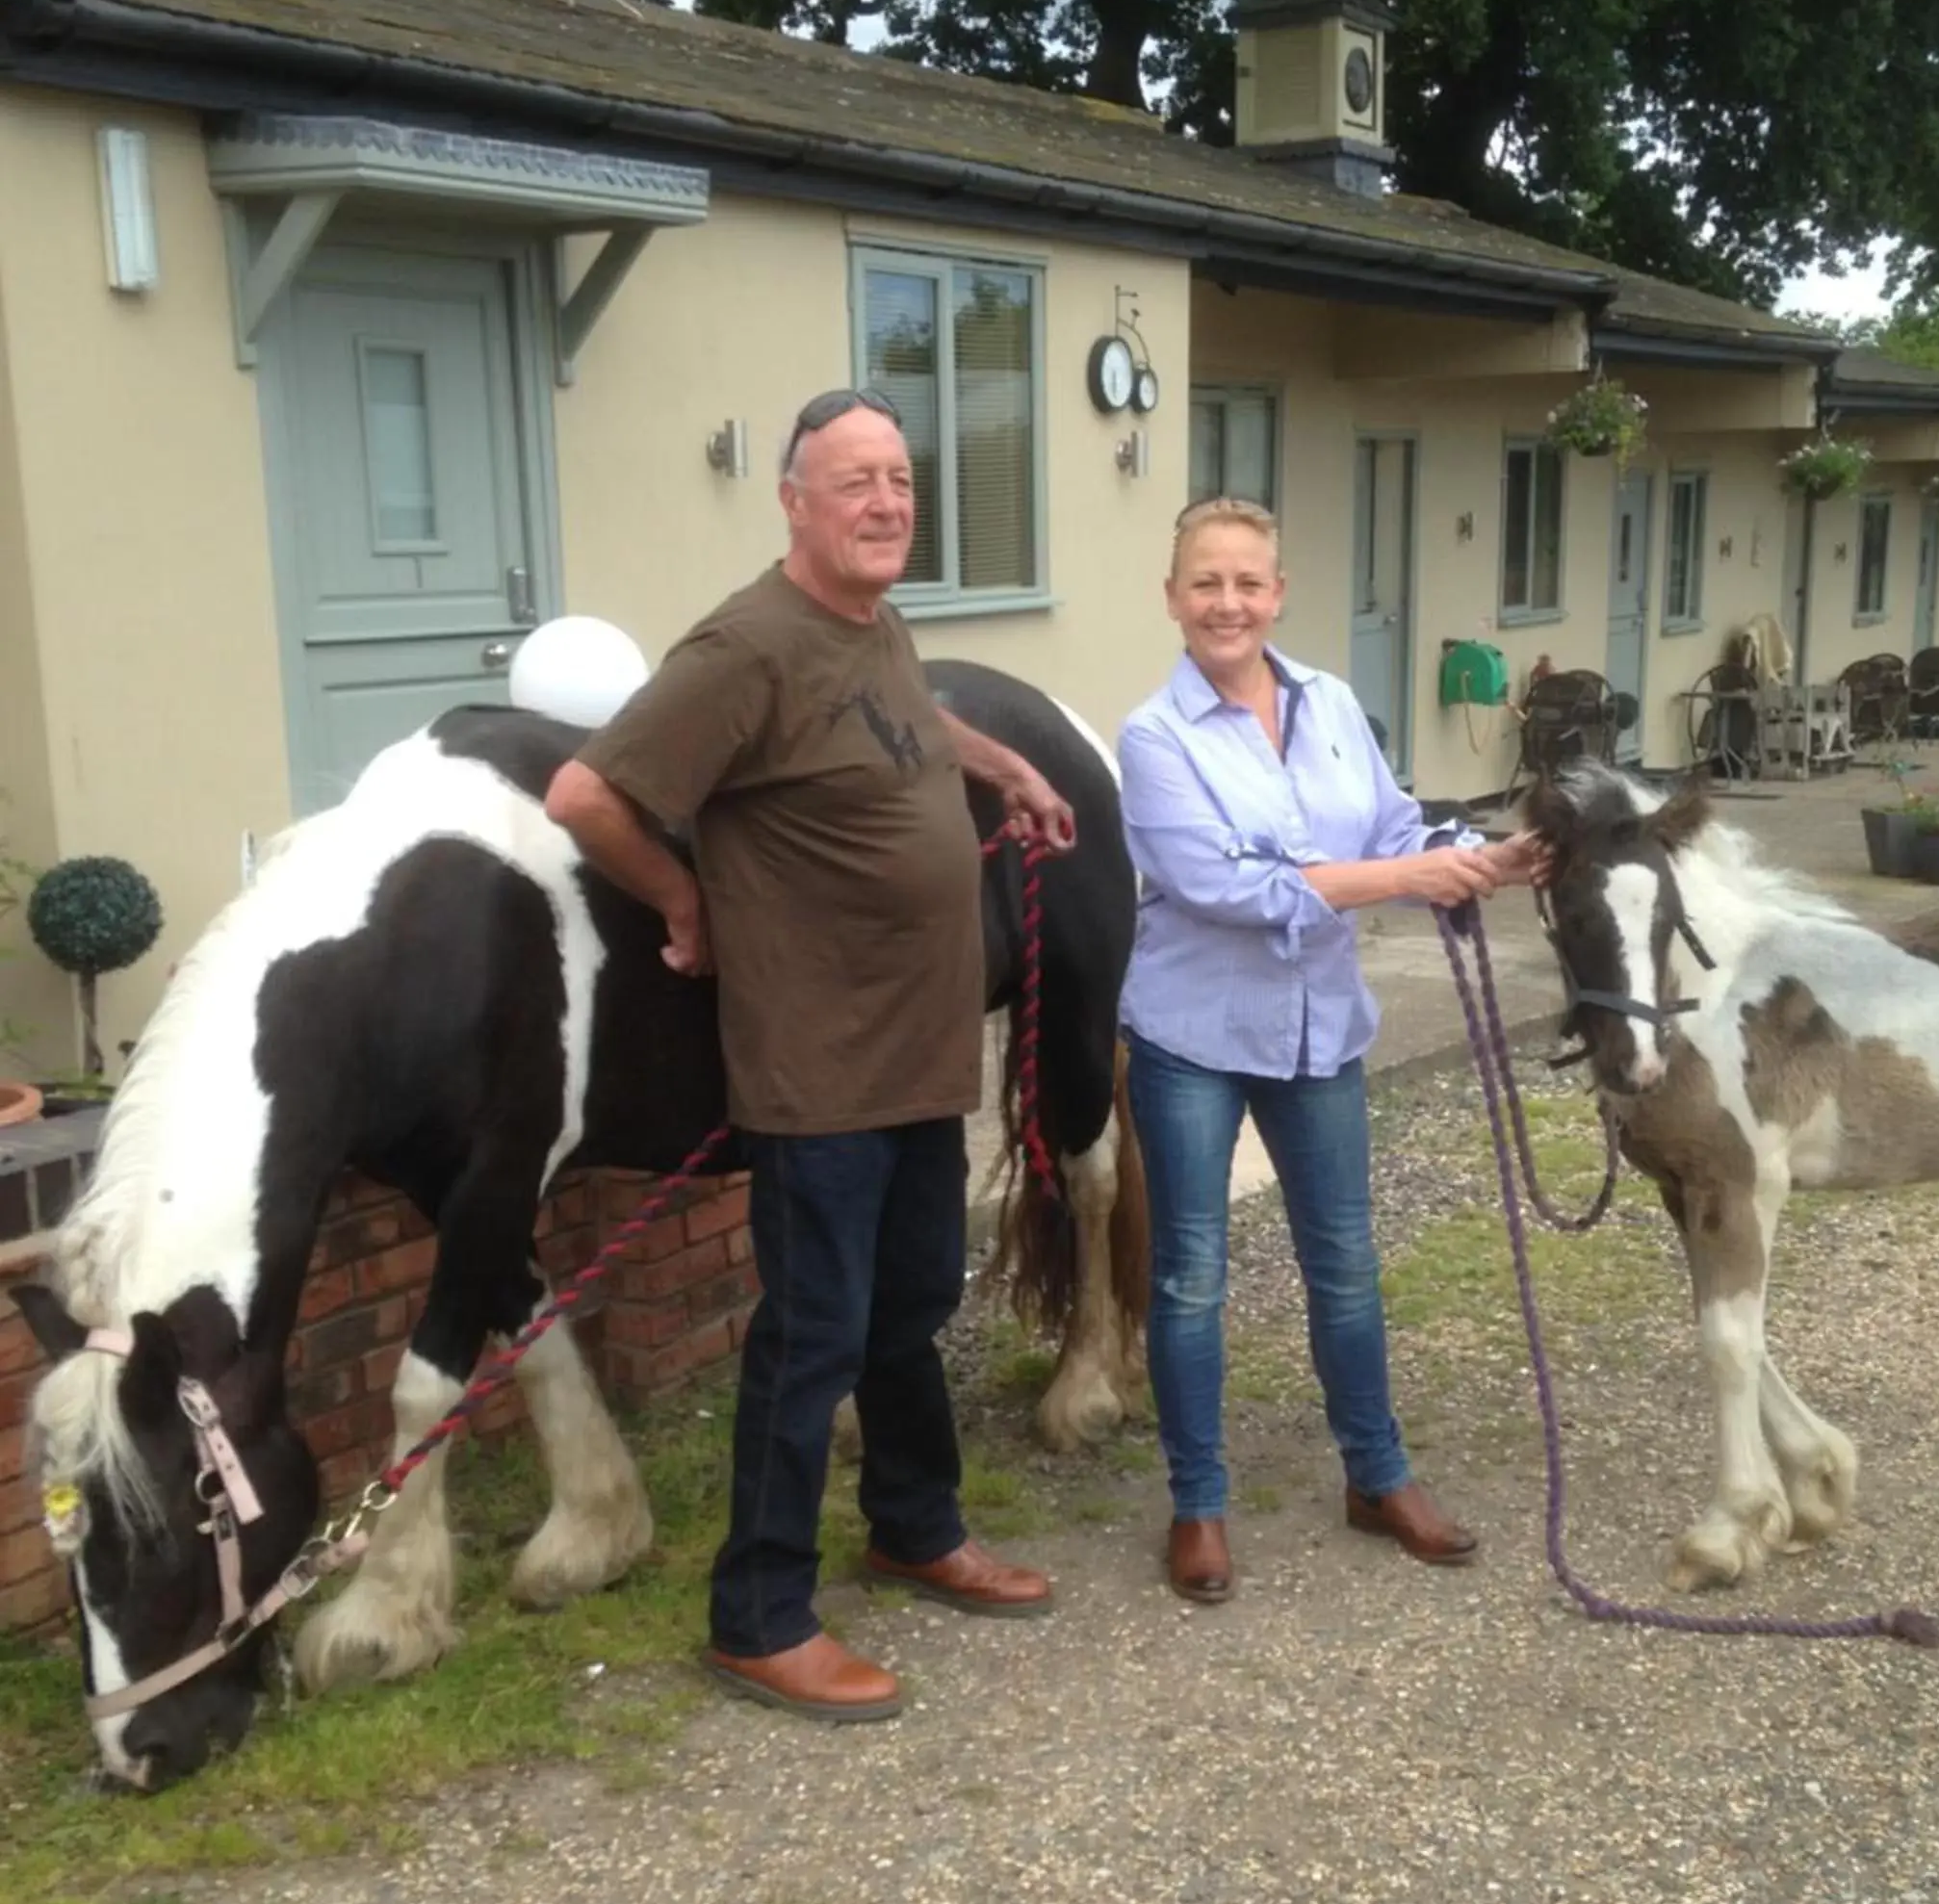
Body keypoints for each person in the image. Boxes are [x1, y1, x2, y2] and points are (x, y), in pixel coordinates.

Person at [544, 388, 1075, 1722]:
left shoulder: (872, 624)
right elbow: (588, 794)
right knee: (813, 1338)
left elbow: (901, 721)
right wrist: (683, 901)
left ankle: (913, 1524)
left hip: (913, 1054)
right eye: (855, 482)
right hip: (818, 1066)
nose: (886, 502)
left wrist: (1000, 764)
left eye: (900, 478)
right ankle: (760, 1615)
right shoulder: (745, 647)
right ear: (793, 501)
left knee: (910, 1310)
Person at [1118, 494, 1546, 1604]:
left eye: (1247, 582)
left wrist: (1483, 856)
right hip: (1194, 1040)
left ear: (1277, 592)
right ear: (1173, 598)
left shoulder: (1333, 704)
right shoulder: (1153, 739)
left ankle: (1377, 1476)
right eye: (1205, 582)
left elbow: (1392, 829)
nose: (1228, 603)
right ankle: (1199, 1503)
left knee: (1347, 1268)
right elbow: (1230, 887)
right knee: (1191, 1277)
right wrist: (1405, 881)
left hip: (1319, 1035)